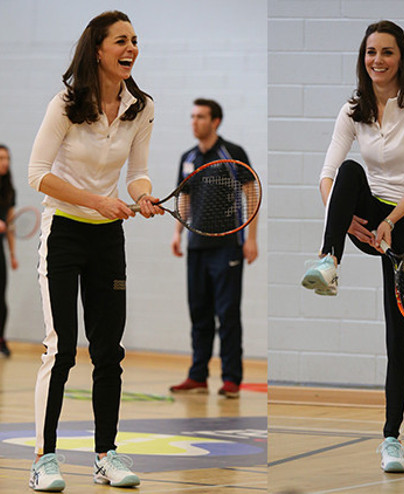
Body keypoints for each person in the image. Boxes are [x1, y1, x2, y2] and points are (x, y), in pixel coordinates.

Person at [27, 10, 162, 491]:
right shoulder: (65, 103)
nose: (131, 49)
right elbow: (38, 174)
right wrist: (98, 202)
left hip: (108, 239)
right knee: (60, 349)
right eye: (121, 41)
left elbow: (137, 170)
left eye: (135, 41)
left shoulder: (140, 106)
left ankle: (106, 455)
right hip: (63, 230)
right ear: (99, 49)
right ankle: (44, 458)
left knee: (109, 352)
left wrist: (141, 195)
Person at [300, 20, 404, 473]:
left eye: (387, 52)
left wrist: (387, 223)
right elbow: (328, 175)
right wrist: (348, 226)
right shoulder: (352, 110)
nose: (377, 60)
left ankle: (392, 439)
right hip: (365, 216)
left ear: (402, 58)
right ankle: (328, 259)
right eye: (370, 52)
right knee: (351, 172)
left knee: (397, 339)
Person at [168, 98, 257, 399]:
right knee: (199, 313)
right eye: (192, 116)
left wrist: (251, 239)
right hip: (197, 247)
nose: (194, 122)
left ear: (215, 121)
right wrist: (178, 232)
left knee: (227, 313)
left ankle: (231, 378)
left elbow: (251, 193)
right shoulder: (188, 157)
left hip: (228, 247)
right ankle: (198, 376)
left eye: (201, 117)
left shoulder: (232, 153)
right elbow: (185, 196)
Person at [0, 144, 18, 358]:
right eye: (1, 158)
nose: (5, 162)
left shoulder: (9, 190)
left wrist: (13, 255)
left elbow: (11, 225)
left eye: (7, 158)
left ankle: (1, 339)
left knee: (2, 297)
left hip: (0, 248)